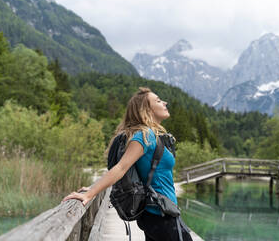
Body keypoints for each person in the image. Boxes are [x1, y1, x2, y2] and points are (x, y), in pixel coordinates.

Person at [62, 87, 192, 241]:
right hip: (161, 215)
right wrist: (90, 193)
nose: (165, 102)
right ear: (147, 109)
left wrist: (92, 188)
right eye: (158, 100)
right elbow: (121, 167)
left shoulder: (152, 135)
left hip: (158, 213)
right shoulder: (145, 136)